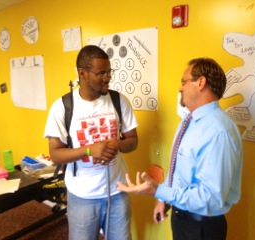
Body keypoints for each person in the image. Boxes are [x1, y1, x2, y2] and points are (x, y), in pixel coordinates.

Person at [117, 57, 243, 240]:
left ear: (201, 82)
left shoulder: (217, 132)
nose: (180, 88)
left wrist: (158, 191)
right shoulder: (188, 121)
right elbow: (178, 168)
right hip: (182, 219)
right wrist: (164, 199)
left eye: (184, 82)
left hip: (201, 227)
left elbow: (210, 198)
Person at [44, 45, 138, 240]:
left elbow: (133, 141)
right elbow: (55, 154)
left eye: (109, 71)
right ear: (82, 73)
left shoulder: (119, 101)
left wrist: (117, 145)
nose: (108, 78)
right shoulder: (62, 107)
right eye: (101, 73)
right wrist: (88, 150)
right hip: (82, 196)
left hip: (117, 193)